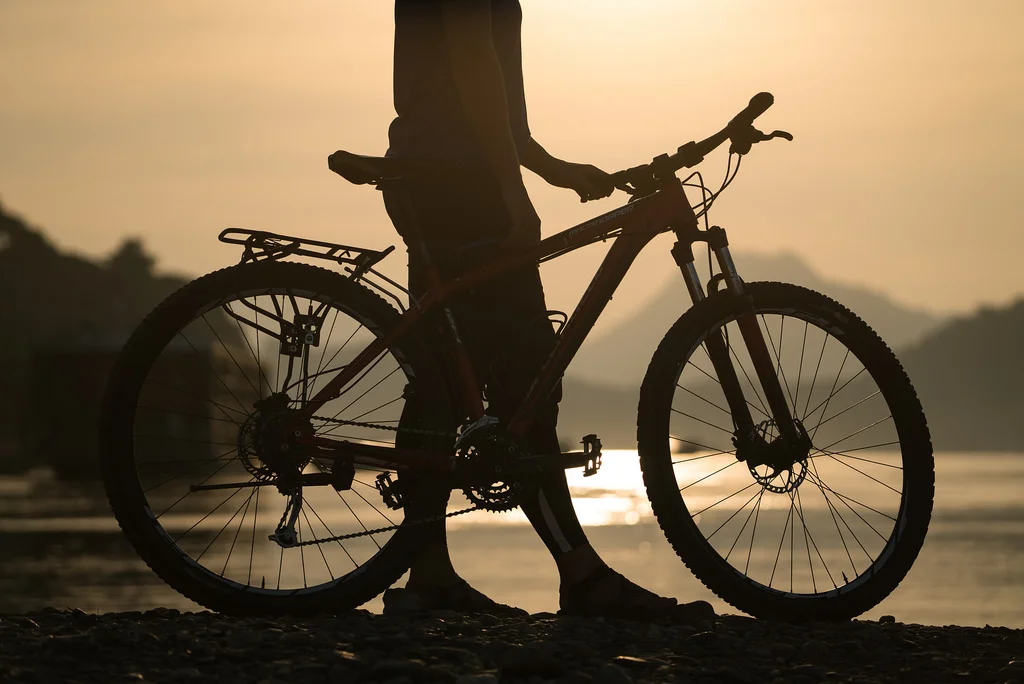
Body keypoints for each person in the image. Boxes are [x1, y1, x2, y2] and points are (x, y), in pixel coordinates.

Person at [379, 0, 715, 621]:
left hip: (438, 180)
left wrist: (555, 171)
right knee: (521, 381)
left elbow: (500, 111)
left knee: (455, 384)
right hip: (461, 190)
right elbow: (474, 64)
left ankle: (432, 577)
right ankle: (580, 577)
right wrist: (513, 194)